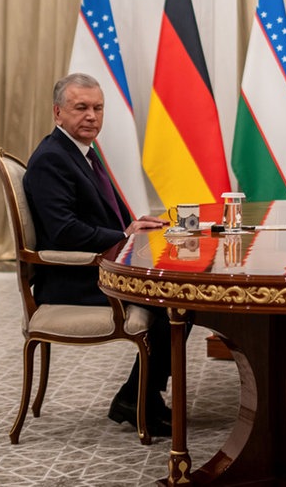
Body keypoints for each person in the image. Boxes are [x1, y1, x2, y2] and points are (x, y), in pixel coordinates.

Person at [23, 72, 173, 437]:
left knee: (173, 295)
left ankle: (138, 395)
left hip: (97, 269)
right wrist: (123, 234)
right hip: (70, 280)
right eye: (81, 108)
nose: (91, 115)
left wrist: (136, 224)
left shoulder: (82, 152)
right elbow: (63, 231)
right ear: (58, 112)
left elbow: (105, 214)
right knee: (172, 300)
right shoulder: (52, 159)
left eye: (98, 108)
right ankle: (140, 400)